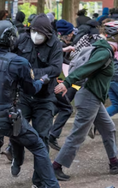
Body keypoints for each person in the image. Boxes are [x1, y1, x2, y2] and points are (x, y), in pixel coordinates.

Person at [0, 20, 70, 188]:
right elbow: (31, 89)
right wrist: (41, 80)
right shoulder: (17, 62)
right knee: (39, 147)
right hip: (3, 116)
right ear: (10, 39)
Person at [52, 21, 118, 180]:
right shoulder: (104, 53)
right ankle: (55, 167)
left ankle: (114, 161)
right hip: (89, 97)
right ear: (117, 37)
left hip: (93, 96)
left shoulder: (105, 49)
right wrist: (67, 83)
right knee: (77, 135)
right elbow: (85, 69)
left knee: (108, 127)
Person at [11, 14, 63, 188]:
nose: (36, 35)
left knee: (42, 139)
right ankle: (17, 158)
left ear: (47, 34)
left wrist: (33, 74)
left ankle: (39, 180)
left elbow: (55, 69)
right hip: (24, 96)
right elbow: (11, 59)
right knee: (16, 131)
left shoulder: (55, 44)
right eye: (33, 31)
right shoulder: (22, 39)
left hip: (44, 98)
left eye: (40, 32)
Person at [48, 19, 76, 151]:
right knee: (66, 108)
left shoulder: (49, 38)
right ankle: (52, 135)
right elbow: (55, 58)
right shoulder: (55, 41)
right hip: (50, 81)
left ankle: (11, 147)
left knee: (37, 112)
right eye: (70, 33)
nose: (71, 35)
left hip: (42, 81)